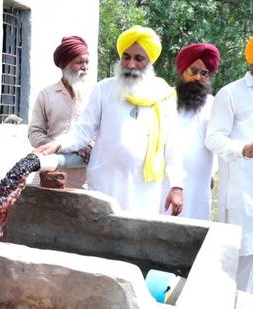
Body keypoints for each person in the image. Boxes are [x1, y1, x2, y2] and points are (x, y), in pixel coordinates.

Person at [35, 25, 184, 216]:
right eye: (126, 57)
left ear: (149, 61)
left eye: (139, 58)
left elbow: (172, 145)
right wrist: (58, 144)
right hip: (106, 182)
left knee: (138, 237)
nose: (130, 64)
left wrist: (177, 186)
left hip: (146, 188)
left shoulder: (164, 96)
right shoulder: (104, 89)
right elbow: (83, 130)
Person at [205, 37, 253, 293]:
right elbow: (213, 138)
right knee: (238, 262)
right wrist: (242, 149)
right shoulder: (231, 93)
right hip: (240, 194)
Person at [159, 43, 220, 219]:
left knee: (197, 233)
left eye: (204, 73)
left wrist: (213, 172)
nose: (198, 77)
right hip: (167, 180)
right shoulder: (166, 99)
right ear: (183, 71)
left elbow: (216, 140)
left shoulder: (213, 104)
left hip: (200, 183)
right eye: (193, 71)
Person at [28, 36, 92, 188]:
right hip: (50, 171)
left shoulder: (94, 95)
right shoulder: (47, 94)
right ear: (65, 65)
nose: (85, 67)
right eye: (79, 62)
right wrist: (54, 147)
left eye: (87, 62)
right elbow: (34, 132)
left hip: (84, 177)